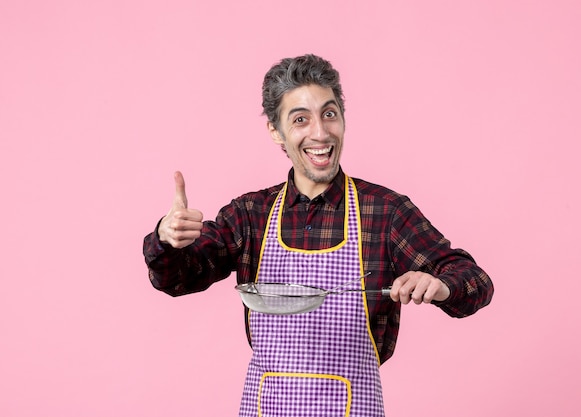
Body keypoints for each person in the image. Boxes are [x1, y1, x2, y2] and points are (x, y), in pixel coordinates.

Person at [143, 54, 494, 417]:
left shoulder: (385, 212)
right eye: (300, 119)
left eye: (329, 114)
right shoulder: (251, 215)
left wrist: (441, 286)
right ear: (275, 132)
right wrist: (167, 238)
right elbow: (179, 277)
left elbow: (474, 281)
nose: (320, 133)